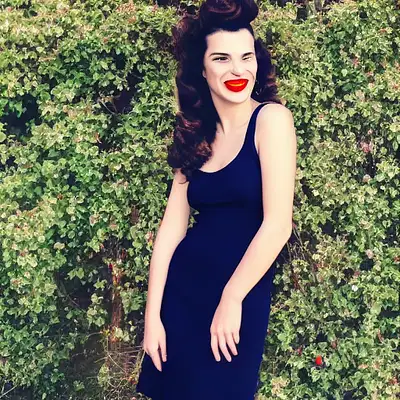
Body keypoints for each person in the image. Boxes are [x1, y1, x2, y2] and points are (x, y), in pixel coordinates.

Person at [135, 0, 297, 398]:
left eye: (246, 57)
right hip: (182, 296)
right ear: (202, 69)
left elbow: (278, 225)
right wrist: (152, 317)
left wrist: (231, 297)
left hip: (238, 300)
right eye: (221, 59)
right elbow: (171, 231)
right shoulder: (196, 132)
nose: (237, 70)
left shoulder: (271, 121)